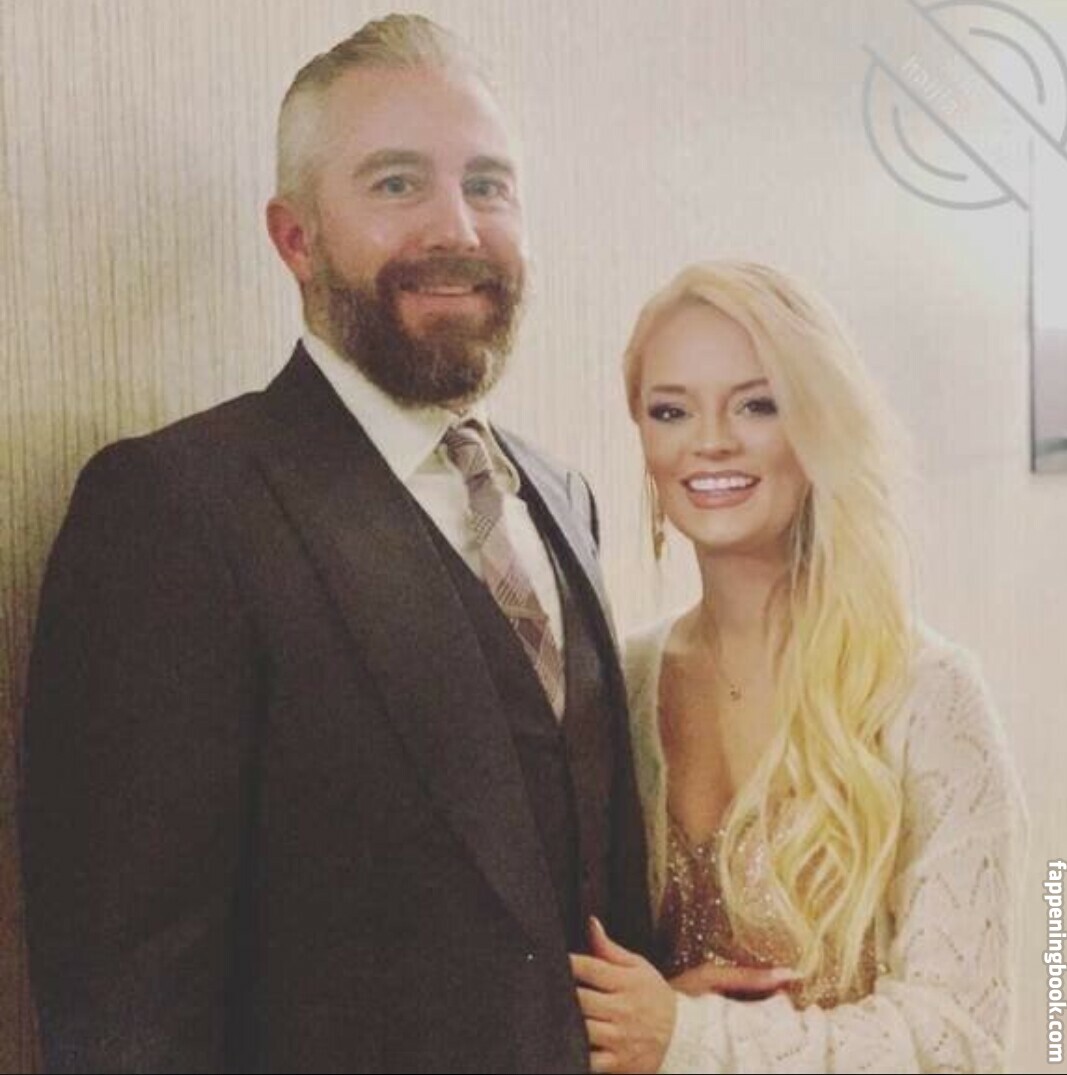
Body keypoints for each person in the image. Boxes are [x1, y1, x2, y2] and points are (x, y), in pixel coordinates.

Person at [19, 15, 652, 1074]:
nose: (457, 226)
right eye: (397, 183)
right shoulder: (176, 510)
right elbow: (126, 1001)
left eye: (488, 184)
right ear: (295, 238)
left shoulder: (562, 495)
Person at [570, 260, 1026, 1074]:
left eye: (757, 404)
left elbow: (962, 1041)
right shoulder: (619, 682)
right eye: (672, 410)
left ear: (819, 424)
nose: (711, 439)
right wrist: (659, 1012)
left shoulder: (929, 696)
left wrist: (692, 1036)